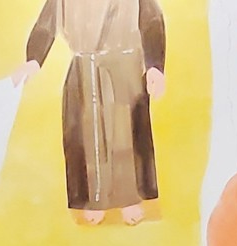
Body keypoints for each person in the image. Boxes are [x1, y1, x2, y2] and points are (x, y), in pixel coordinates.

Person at [13, 0, 165, 225]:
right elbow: (46, 25)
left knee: (126, 135)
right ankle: (94, 200)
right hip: (84, 68)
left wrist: (155, 66)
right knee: (87, 136)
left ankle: (130, 199)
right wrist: (33, 60)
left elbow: (151, 21)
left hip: (126, 65)